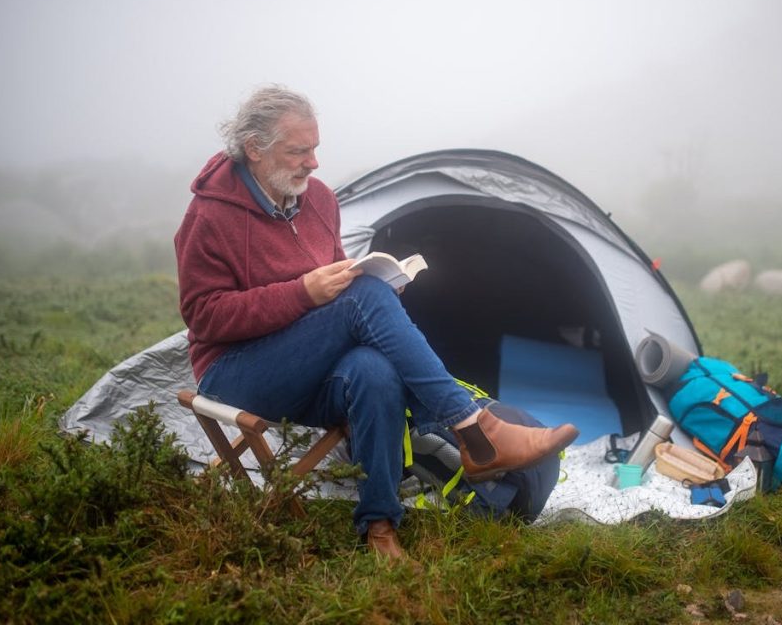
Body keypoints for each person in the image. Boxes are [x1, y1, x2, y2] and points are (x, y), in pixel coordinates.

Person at [174, 85, 579, 561]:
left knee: (373, 367)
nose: (313, 163)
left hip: (312, 371)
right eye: (298, 151)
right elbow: (204, 317)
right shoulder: (209, 216)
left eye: (316, 148)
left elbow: (336, 280)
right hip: (239, 373)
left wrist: (375, 285)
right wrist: (304, 292)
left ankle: (380, 525)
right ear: (255, 149)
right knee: (363, 298)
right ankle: (475, 428)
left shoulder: (319, 200)